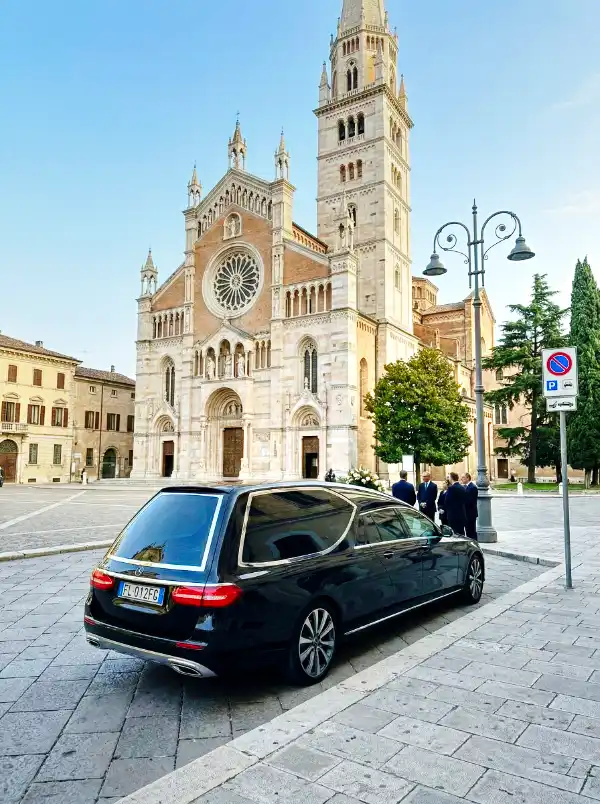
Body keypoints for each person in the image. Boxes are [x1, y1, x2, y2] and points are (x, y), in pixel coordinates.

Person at [461, 472, 479, 541]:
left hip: (470, 513)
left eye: (463, 477)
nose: (461, 479)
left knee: (471, 531)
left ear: (468, 478)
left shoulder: (473, 487)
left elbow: (471, 501)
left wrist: (461, 503)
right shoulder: (464, 487)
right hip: (465, 513)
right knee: (467, 531)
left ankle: (474, 544)